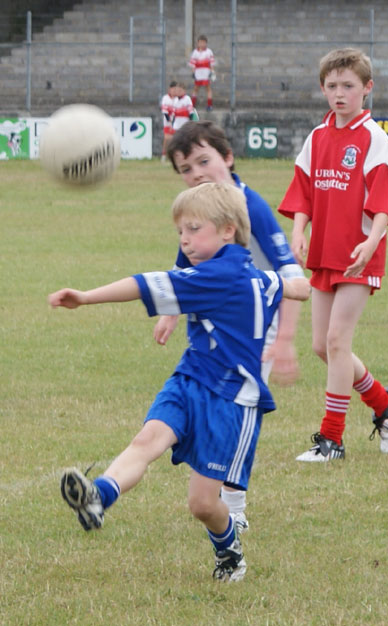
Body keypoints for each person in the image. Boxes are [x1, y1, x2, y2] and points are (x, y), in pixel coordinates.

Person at [49, 182, 311, 582]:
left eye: (193, 229)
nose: (184, 241)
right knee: (146, 441)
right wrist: (295, 280)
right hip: (190, 380)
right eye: (180, 232)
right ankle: (98, 496)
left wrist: (85, 297)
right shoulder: (254, 276)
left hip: (232, 401)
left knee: (203, 504)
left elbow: (141, 284)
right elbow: (294, 288)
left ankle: (229, 553)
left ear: (227, 230)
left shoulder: (216, 277)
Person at [157, 120, 305, 527]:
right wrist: (171, 312)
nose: (197, 174)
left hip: (256, 326)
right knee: (213, 405)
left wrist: (286, 338)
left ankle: (234, 510)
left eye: (205, 161)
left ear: (228, 157)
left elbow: (291, 273)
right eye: (186, 169)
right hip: (214, 326)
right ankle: (215, 495)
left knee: (241, 408)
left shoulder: (248, 206)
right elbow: (183, 268)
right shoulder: (198, 213)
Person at [278, 47, 388, 462]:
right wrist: (299, 230)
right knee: (321, 345)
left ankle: (331, 440)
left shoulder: (374, 139)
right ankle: (384, 401)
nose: (339, 94)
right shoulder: (318, 137)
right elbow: (304, 190)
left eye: (348, 86)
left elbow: (384, 202)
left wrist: (371, 244)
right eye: (332, 86)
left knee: (337, 339)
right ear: (322, 88)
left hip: (358, 255)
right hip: (324, 251)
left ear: (367, 89)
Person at [189, 35, 215, 111]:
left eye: (204, 43)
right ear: (198, 43)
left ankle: (209, 105)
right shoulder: (195, 52)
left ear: (206, 43)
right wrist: (193, 73)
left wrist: (212, 72)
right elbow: (193, 64)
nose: (202, 44)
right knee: (196, 88)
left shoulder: (209, 52)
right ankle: (192, 105)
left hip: (206, 73)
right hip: (198, 73)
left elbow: (212, 63)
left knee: (208, 88)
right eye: (200, 42)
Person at [160, 80, 177, 162]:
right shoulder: (165, 98)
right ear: (169, 89)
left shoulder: (178, 99)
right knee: (167, 138)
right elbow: (164, 111)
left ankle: (173, 156)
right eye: (172, 89)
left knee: (175, 139)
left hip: (176, 122)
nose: (174, 91)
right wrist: (169, 122)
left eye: (175, 89)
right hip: (167, 122)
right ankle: (163, 155)